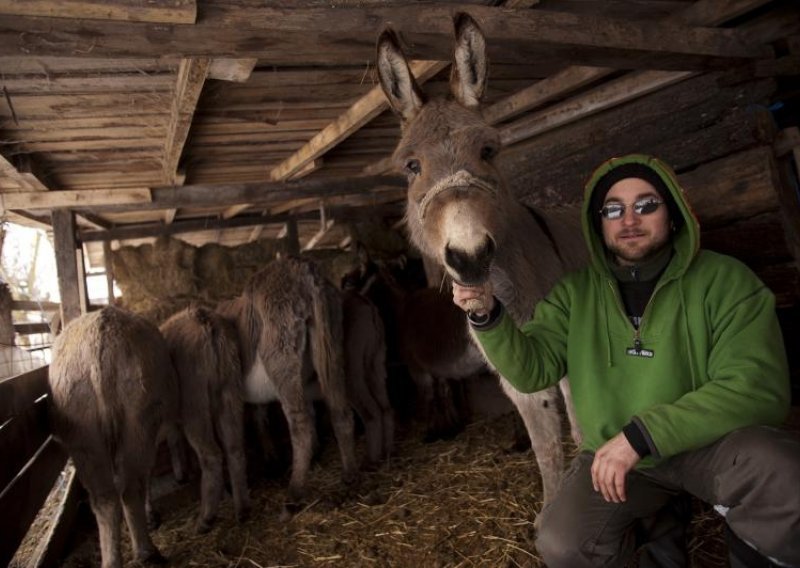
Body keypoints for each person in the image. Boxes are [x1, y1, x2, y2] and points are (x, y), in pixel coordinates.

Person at [452, 154, 800, 567]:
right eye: (613, 209)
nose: (629, 219)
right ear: (599, 225)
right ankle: (655, 523)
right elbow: (532, 371)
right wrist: (487, 315)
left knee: (785, 476)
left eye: (647, 205)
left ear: (673, 212)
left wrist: (640, 436)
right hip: (617, 463)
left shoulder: (726, 281)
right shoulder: (574, 294)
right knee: (563, 541)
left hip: (710, 445)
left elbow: (757, 389)